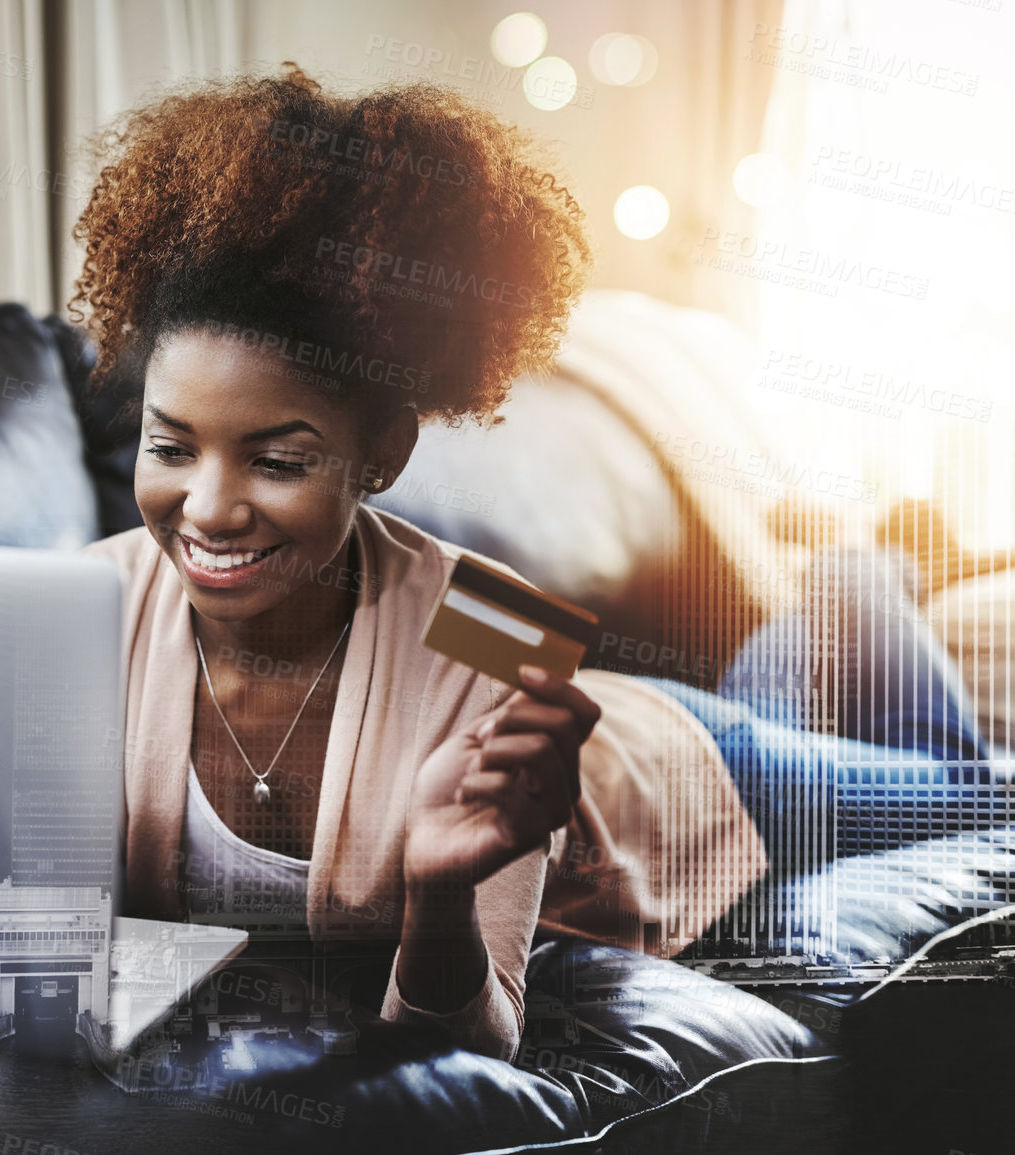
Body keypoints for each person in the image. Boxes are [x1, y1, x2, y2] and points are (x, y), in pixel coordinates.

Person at [73, 64, 764, 1064]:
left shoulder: (501, 626)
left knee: (967, 778)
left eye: (276, 461)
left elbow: (478, 1048)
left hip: (675, 764)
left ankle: (848, 615)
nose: (209, 508)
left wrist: (439, 892)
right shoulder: (83, 608)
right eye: (172, 447)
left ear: (383, 455)